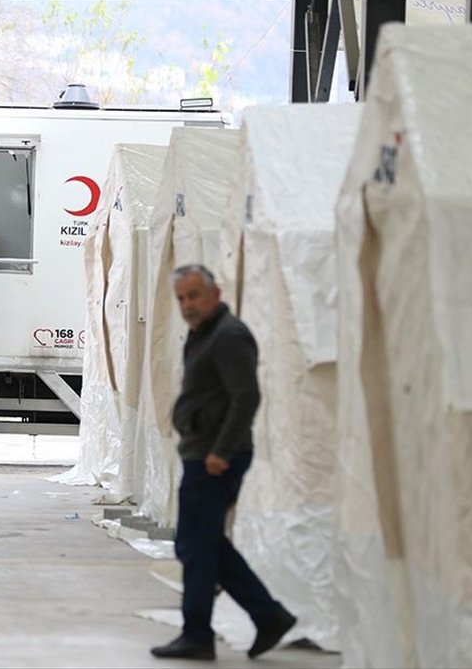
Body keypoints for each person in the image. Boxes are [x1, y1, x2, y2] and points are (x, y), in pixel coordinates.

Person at [150, 264, 297, 662]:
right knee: (204, 543)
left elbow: (246, 397)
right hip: (202, 452)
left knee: (196, 547)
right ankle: (269, 616)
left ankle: (198, 635)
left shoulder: (230, 335)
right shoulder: (205, 333)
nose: (187, 305)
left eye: (193, 295)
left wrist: (221, 451)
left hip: (215, 457)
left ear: (214, 294)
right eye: (181, 298)